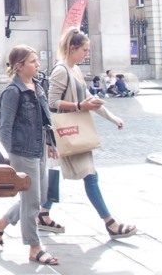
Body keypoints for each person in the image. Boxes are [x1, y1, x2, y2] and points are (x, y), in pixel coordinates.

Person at [44, 28, 137, 240]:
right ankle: (110, 223)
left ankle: (42, 212)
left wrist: (112, 118)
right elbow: (52, 103)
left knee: (58, 174)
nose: (87, 54)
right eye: (84, 50)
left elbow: (89, 100)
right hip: (68, 131)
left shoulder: (75, 69)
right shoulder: (61, 70)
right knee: (90, 176)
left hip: (75, 130)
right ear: (72, 48)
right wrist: (78, 105)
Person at [0, 45, 60, 266]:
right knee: (32, 201)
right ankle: (34, 247)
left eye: (37, 61)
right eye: (32, 62)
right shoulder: (13, 92)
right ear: (19, 66)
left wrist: (50, 143)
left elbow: (45, 119)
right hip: (22, 151)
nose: (37, 65)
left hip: (38, 149)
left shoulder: (37, 86)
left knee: (38, 197)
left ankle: (0, 223)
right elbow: (5, 128)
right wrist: (6, 158)